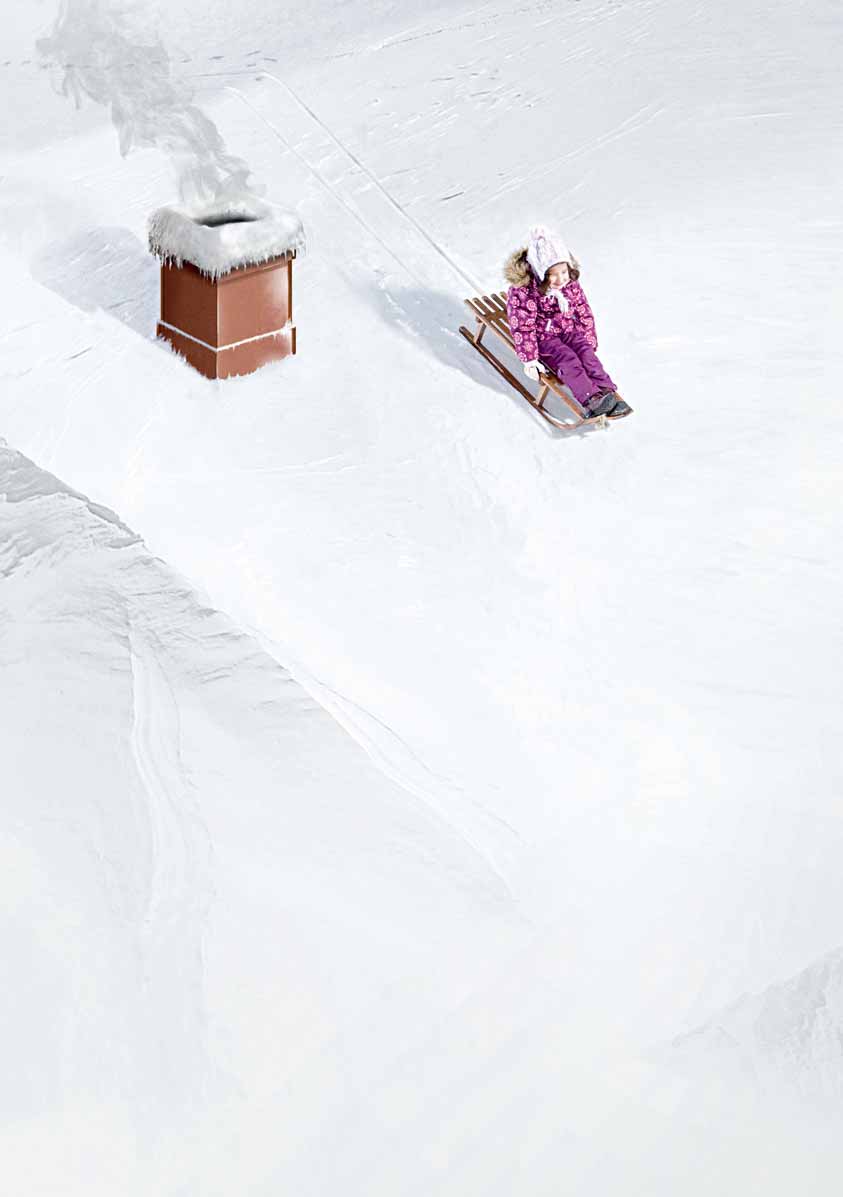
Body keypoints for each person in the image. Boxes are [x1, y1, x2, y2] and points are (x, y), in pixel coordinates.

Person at [504, 226, 632, 419]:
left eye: (563, 271)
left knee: (586, 354)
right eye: (552, 274)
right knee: (568, 359)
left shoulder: (569, 283)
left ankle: (607, 392)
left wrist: (588, 338)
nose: (560, 279)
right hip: (543, 338)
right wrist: (529, 359)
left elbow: (583, 310)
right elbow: (522, 326)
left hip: (568, 330)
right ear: (540, 272)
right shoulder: (524, 292)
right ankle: (591, 399)